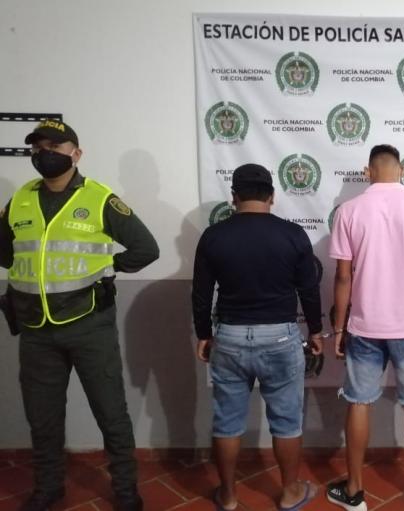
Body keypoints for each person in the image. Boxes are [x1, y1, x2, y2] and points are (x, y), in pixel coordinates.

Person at [0, 120, 160, 511]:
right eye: (37, 147)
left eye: (54, 146)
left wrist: (107, 268)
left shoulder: (100, 199)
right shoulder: (20, 199)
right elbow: (5, 254)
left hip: (89, 326)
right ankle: (48, 487)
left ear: (76, 153)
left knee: (111, 412)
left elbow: (146, 248)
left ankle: (125, 490)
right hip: (36, 329)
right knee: (42, 418)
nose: (44, 153)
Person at [192, 163, 323, 511]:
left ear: (234, 196)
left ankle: (228, 496)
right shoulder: (293, 235)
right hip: (280, 338)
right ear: (272, 197)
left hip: (229, 338)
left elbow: (201, 294)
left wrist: (204, 334)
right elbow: (309, 290)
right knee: (287, 422)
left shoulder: (213, 236)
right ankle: (290, 492)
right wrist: (316, 330)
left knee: (227, 422)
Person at [326, 144, 404, 511]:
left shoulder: (348, 210)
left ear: (368, 172)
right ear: (402, 169)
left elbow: (343, 277)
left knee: (358, 403)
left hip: (364, 326)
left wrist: (339, 328)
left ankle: (354, 491)